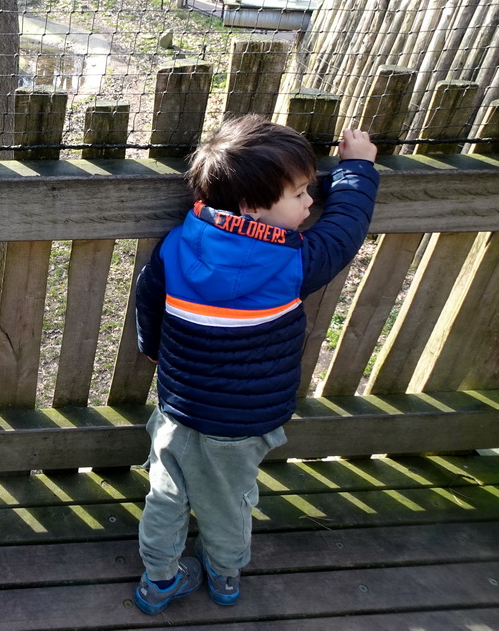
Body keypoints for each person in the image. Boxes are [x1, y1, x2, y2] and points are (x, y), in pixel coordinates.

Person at [132, 116, 379, 615]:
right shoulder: (292, 263)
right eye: (300, 194)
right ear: (252, 206)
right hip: (241, 426)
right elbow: (345, 229)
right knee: (227, 504)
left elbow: (148, 295)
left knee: (165, 495)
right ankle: (224, 577)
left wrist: (153, 346)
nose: (311, 203)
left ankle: (158, 581)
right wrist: (356, 170)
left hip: (179, 409)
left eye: (311, 189)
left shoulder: (178, 244)